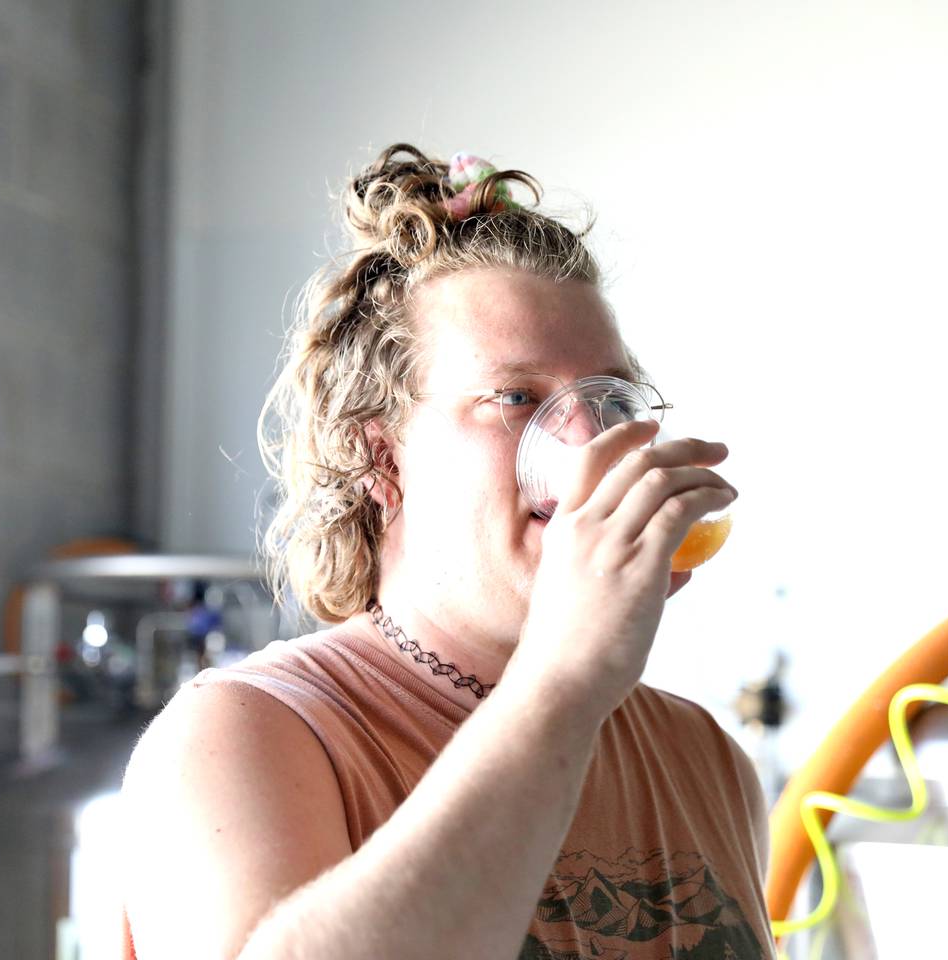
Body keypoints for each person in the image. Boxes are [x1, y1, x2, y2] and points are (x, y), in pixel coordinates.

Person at [121, 143, 770, 960]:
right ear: (383, 461)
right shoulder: (243, 735)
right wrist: (565, 682)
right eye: (516, 397)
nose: (586, 441)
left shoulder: (704, 757)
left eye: (606, 398)